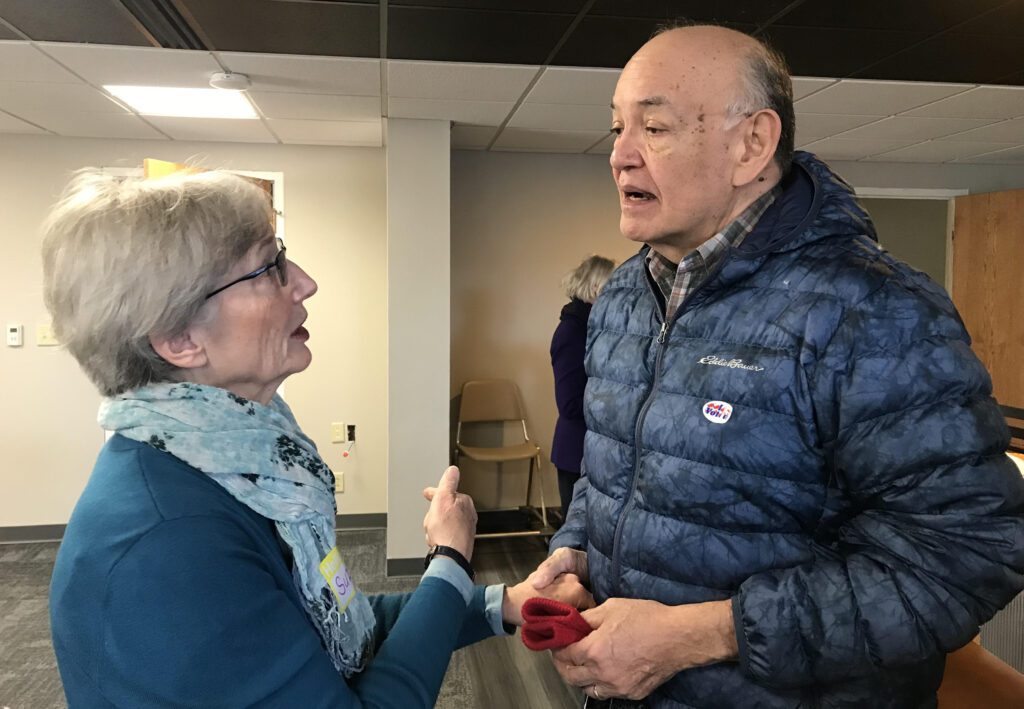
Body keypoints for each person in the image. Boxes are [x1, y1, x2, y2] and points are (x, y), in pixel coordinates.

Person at [528, 24, 1024, 709]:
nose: (619, 155)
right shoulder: (619, 300)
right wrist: (577, 552)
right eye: (617, 128)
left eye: (655, 127)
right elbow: (611, 476)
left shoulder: (875, 312)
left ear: (752, 144)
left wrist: (700, 634)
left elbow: (967, 558)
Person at [43, 170, 592, 708]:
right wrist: (449, 558)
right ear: (179, 339)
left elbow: (335, 631)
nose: (304, 281)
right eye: (268, 268)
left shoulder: (243, 472)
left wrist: (503, 603)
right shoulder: (170, 544)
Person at [551, 255, 615, 522]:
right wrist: (616, 402)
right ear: (594, 289)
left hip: (598, 449)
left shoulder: (599, 329)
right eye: (611, 288)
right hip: (576, 450)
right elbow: (569, 404)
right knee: (575, 543)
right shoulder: (571, 332)